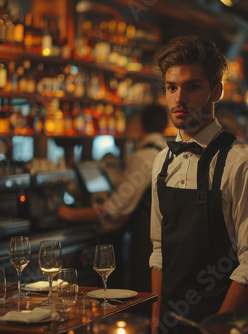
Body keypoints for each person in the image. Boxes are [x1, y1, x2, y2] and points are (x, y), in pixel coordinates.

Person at [149, 35, 248, 334]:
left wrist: (214, 330)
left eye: (192, 87)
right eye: (171, 88)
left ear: (216, 91)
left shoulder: (245, 163)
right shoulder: (161, 161)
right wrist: (156, 321)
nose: (179, 99)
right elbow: (158, 251)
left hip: (225, 325)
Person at [57, 104, 168, 292]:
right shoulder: (166, 150)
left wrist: (68, 213)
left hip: (146, 246)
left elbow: (110, 210)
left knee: (142, 298)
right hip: (163, 241)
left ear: (140, 125)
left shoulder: (143, 157)